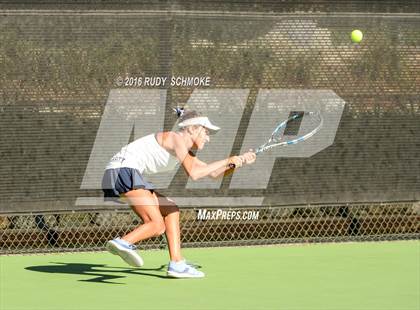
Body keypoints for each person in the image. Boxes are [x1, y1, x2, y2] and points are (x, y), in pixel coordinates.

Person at [102, 108, 256, 278]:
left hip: (119, 174)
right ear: (191, 129)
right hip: (122, 172)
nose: (208, 137)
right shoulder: (176, 138)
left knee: (171, 209)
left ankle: (177, 264)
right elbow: (194, 173)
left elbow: (211, 173)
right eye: (205, 131)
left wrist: (237, 162)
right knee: (157, 225)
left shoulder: (183, 148)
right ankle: (123, 242)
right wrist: (228, 160)